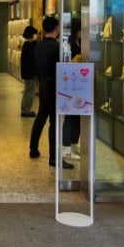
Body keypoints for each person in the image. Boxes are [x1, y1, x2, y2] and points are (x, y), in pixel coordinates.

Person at [29, 15, 72, 169]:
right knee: (54, 121)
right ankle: (54, 158)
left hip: (42, 84)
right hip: (54, 85)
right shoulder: (57, 47)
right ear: (57, 28)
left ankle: (33, 148)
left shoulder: (38, 46)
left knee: (41, 116)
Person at [62, 20, 82, 163]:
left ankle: (74, 143)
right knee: (69, 116)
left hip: (79, 84)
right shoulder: (68, 45)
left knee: (76, 116)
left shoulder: (79, 43)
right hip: (70, 84)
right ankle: (66, 147)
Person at [19, 25, 38, 117]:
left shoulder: (26, 45)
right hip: (30, 73)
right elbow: (32, 61)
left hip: (27, 73)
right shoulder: (30, 46)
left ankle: (24, 109)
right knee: (30, 92)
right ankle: (26, 111)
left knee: (27, 91)